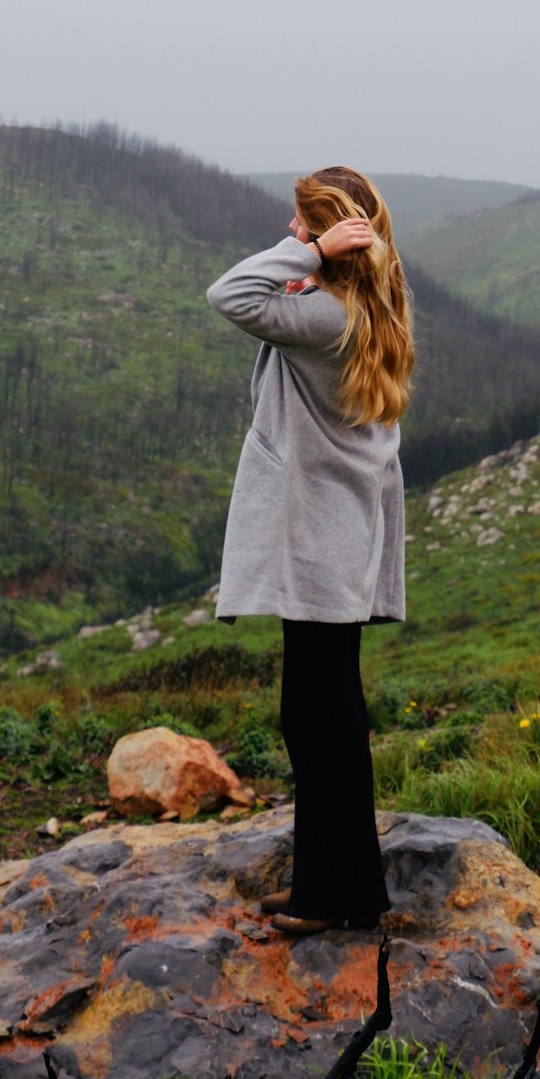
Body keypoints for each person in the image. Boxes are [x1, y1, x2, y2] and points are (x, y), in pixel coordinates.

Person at [206, 165, 414, 936]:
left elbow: (228, 294)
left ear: (333, 233)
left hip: (319, 548)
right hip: (338, 541)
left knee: (318, 720)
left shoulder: (326, 317)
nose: (293, 235)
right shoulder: (369, 308)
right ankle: (334, 883)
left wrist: (309, 252)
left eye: (304, 223)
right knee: (326, 717)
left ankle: (335, 896)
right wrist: (320, 259)